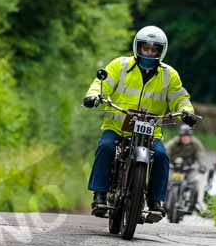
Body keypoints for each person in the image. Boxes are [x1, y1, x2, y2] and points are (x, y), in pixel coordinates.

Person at [83, 25, 196, 215]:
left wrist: (186, 111)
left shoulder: (170, 74)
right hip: (117, 126)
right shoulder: (120, 65)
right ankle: (99, 195)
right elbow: (102, 84)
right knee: (106, 147)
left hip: (151, 132)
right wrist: (93, 96)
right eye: (146, 48)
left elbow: (180, 97)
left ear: (161, 51)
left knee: (161, 156)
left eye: (154, 49)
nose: (149, 53)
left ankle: (156, 201)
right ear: (138, 47)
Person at [165, 124, 207, 211]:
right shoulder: (173, 143)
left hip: (188, 169)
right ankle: (160, 201)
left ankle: (195, 203)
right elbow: (166, 151)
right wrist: (165, 162)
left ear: (190, 136)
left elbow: (201, 155)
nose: (185, 138)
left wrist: (202, 166)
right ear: (180, 136)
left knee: (195, 183)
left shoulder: (196, 144)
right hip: (174, 168)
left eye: (187, 136)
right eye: (183, 136)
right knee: (164, 180)